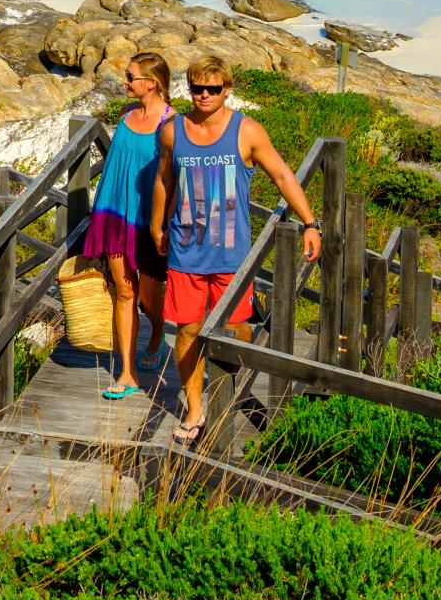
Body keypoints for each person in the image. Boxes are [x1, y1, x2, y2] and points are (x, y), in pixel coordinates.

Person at [149, 55, 322, 448]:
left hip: (232, 257)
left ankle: (229, 390)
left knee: (236, 331)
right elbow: (163, 180)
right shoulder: (173, 131)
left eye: (213, 89)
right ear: (188, 89)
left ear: (227, 89)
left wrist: (310, 223)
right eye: (197, 88)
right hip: (186, 251)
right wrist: (156, 225)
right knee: (188, 331)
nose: (205, 96)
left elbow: (281, 175)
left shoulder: (247, 131)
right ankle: (196, 408)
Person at [84, 51, 177, 401]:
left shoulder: (171, 123)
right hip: (114, 213)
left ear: (151, 83)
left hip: (148, 221)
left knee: (151, 299)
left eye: (130, 76)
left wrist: (164, 223)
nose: (125, 81)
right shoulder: (125, 114)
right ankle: (128, 372)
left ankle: (156, 331)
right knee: (124, 292)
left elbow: (173, 177)